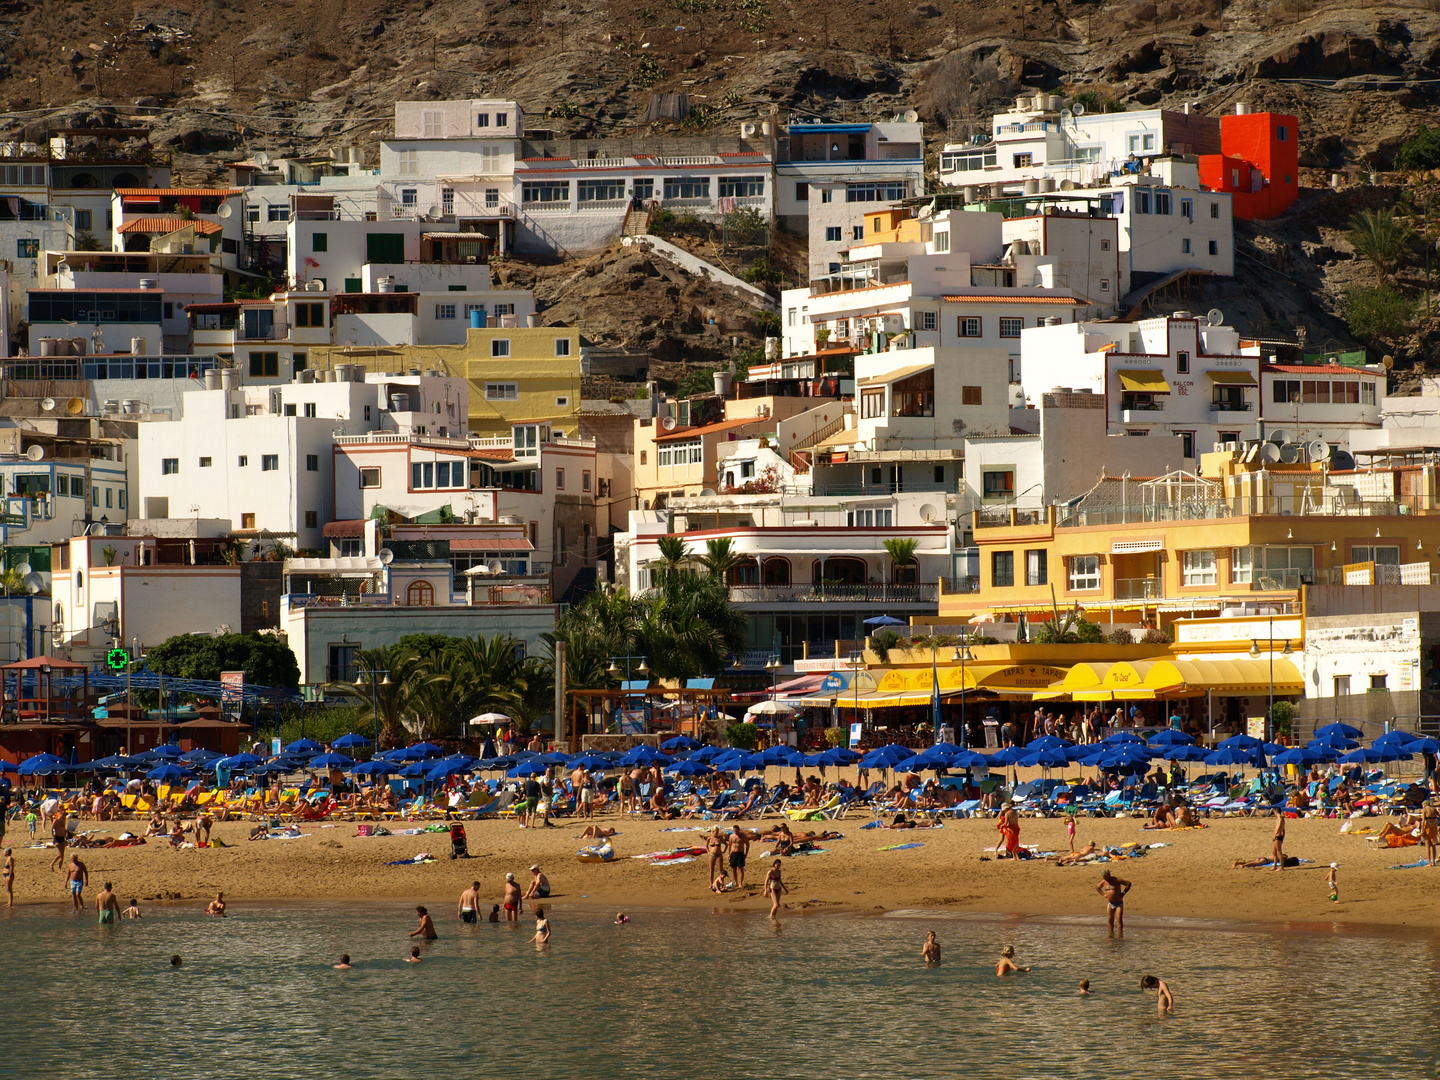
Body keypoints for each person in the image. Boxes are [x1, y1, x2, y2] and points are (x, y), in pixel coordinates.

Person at [1096, 870, 1131, 935]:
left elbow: (1128, 883)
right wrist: (1104, 894)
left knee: (1119, 919)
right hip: (1110, 903)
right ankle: (1110, 935)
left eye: (1106, 877)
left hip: (1118, 903)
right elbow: (1097, 887)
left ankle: (1120, 935)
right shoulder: (1104, 882)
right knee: (1110, 920)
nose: (1105, 878)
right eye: (1104, 877)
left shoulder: (1117, 880)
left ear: (1109, 875)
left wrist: (1123, 893)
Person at [706, 827, 728, 893]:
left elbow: (726, 844)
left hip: (719, 855)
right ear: (713, 831)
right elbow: (706, 845)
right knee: (711, 870)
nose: (717, 832)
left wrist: (723, 851)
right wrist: (708, 851)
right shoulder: (709, 838)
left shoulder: (720, 838)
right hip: (711, 855)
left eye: (717, 831)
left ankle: (721, 883)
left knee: (721, 870)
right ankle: (711, 883)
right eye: (716, 831)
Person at [1423, 802, 1439, 867]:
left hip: (1427, 826)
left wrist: (1422, 830)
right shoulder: (1434, 809)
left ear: (1425, 804)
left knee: (1427, 844)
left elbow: (1423, 820)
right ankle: (1434, 862)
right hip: (1434, 826)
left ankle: (1429, 862)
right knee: (1433, 844)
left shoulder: (1424, 809)